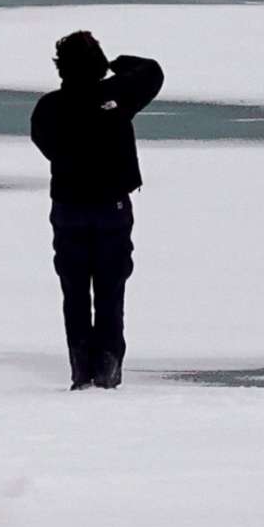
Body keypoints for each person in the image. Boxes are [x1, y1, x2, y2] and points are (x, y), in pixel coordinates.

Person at [29, 30, 163, 389]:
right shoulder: (116, 96)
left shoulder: (49, 108)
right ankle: (106, 370)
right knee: (110, 288)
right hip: (111, 209)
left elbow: (44, 142)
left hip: (69, 209)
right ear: (98, 64)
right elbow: (152, 72)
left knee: (74, 289)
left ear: (61, 69)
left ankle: (81, 369)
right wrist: (116, 66)